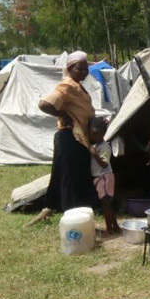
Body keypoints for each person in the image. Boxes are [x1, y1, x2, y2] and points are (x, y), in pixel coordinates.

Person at [38, 51, 99, 214]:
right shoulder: (67, 85)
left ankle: (65, 207)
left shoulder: (77, 86)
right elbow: (44, 104)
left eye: (86, 69)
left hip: (77, 138)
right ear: (70, 68)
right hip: (70, 137)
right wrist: (64, 115)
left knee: (72, 174)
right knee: (70, 177)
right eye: (79, 69)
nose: (84, 72)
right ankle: (72, 211)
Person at [89, 117, 119, 234]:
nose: (93, 137)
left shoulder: (104, 147)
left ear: (103, 134)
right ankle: (115, 227)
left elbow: (104, 164)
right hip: (99, 177)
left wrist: (93, 153)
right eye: (91, 134)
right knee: (106, 204)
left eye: (96, 135)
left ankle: (110, 229)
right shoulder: (96, 144)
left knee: (105, 204)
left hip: (105, 177)